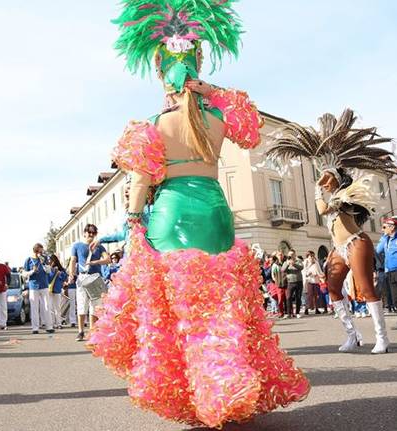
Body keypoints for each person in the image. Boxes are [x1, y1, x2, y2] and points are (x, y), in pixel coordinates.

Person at [89, 3, 309, 427]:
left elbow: (139, 182)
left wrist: (134, 221)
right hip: (214, 211)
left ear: (159, 75)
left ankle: (196, 396)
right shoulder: (217, 119)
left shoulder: (152, 124)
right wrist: (206, 89)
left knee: (177, 314)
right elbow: (250, 122)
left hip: (170, 214)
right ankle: (223, 386)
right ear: (196, 66)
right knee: (219, 307)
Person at [267, 108, 395, 354]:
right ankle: (353, 334)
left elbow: (324, 209)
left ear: (337, 178)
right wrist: (319, 190)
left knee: (366, 288)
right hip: (339, 248)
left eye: (327, 178)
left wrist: (318, 192)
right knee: (334, 287)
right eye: (322, 178)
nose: (323, 182)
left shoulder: (348, 194)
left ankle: (382, 337)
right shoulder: (333, 193)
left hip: (357, 243)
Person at [69, 224, 110, 341]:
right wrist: (71, 274)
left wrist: (95, 262)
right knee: (82, 304)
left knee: (95, 306)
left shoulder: (100, 247)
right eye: (89, 232)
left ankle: (92, 331)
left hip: (95, 278)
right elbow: (73, 260)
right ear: (84, 233)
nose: (90, 235)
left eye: (93, 233)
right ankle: (81, 331)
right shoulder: (77, 246)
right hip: (82, 277)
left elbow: (107, 259)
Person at [23, 244, 54, 334]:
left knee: (47, 306)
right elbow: (24, 274)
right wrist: (32, 271)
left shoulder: (44, 259)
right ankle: (35, 328)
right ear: (35, 251)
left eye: (41, 251)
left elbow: (48, 271)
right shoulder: (28, 260)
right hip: (33, 286)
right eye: (39, 252)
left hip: (44, 285)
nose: (40, 253)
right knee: (34, 308)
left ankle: (49, 326)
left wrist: (44, 263)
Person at [377, 217, 397, 314]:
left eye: (385, 227)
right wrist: (384, 237)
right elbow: (378, 250)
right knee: (395, 298)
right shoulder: (386, 239)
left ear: (392, 227)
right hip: (389, 271)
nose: (382, 229)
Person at [282, 250, 304, 318]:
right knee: (288, 298)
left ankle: (297, 313)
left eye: (292, 254)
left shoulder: (298, 260)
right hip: (290, 282)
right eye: (289, 255)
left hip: (298, 281)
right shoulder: (286, 262)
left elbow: (301, 267)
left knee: (298, 297)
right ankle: (289, 313)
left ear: (295, 254)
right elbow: (282, 270)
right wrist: (288, 264)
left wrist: (293, 264)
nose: (290, 256)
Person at [48, 254, 67, 329]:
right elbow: (48, 279)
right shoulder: (48, 269)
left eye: (51, 260)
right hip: (49, 290)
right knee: (50, 308)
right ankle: (52, 323)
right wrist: (53, 271)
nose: (50, 262)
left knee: (57, 308)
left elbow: (64, 278)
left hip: (57, 290)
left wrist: (60, 273)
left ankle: (59, 323)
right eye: (49, 260)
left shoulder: (61, 269)